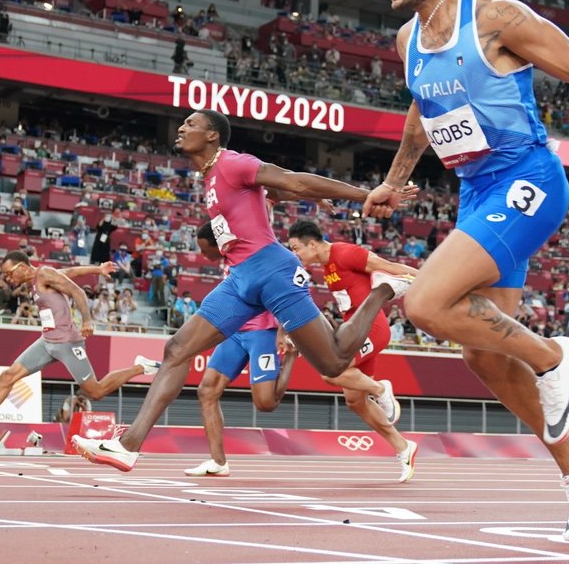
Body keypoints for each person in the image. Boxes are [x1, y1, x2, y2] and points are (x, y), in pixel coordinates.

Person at [364, 0, 569, 541]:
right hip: (475, 192)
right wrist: (395, 180)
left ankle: (554, 358)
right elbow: (423, 112)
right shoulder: (407, 39)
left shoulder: (498, 18)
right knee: (481, 353)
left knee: (424, 302)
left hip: (528, 179)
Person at [71, 109, 414, 471]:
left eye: (191, 124)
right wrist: (305, 198)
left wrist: (365, 195)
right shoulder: (210, 178)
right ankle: (127, 446)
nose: (181, 128)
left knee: (333, 361)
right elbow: (275, 191)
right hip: (239, 280)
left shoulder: (233, 163)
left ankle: (384, 290)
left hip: (272, 271)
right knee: (177, 349)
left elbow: (293, 180)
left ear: (212, 136)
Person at [0, 256, 160, 443]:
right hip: (46, 343)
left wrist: (86, 320)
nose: (8, 279)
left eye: (9, 274)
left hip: (68, 343)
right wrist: (98, 269)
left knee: (96, 391)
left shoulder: (44, 273)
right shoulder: (39, 278)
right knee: (7, 377)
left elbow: (78, 293)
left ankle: (140, 367)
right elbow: (72, 271)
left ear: (23, 266)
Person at [287, 219, 418, 482]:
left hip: (372, 328)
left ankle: (381, 389)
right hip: (353, 332)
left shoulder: (346, 253)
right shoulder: (326, 267)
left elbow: (390, 267)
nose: (295, 255)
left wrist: (429, 284)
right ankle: (403, 447)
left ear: (311, 244)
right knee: (355, 401)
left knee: (330, 371)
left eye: (296, 248)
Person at [183, 223, 298, 477]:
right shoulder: (228, 255)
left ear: (217, 243)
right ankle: (218, 462)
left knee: (265, 403)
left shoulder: (251, 251)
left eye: (204, 250)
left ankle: (291, 358)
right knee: (207, 390)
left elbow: (276, 287)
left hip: (262, 331)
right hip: (234, 331)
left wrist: (282, 330)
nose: (203, 256)